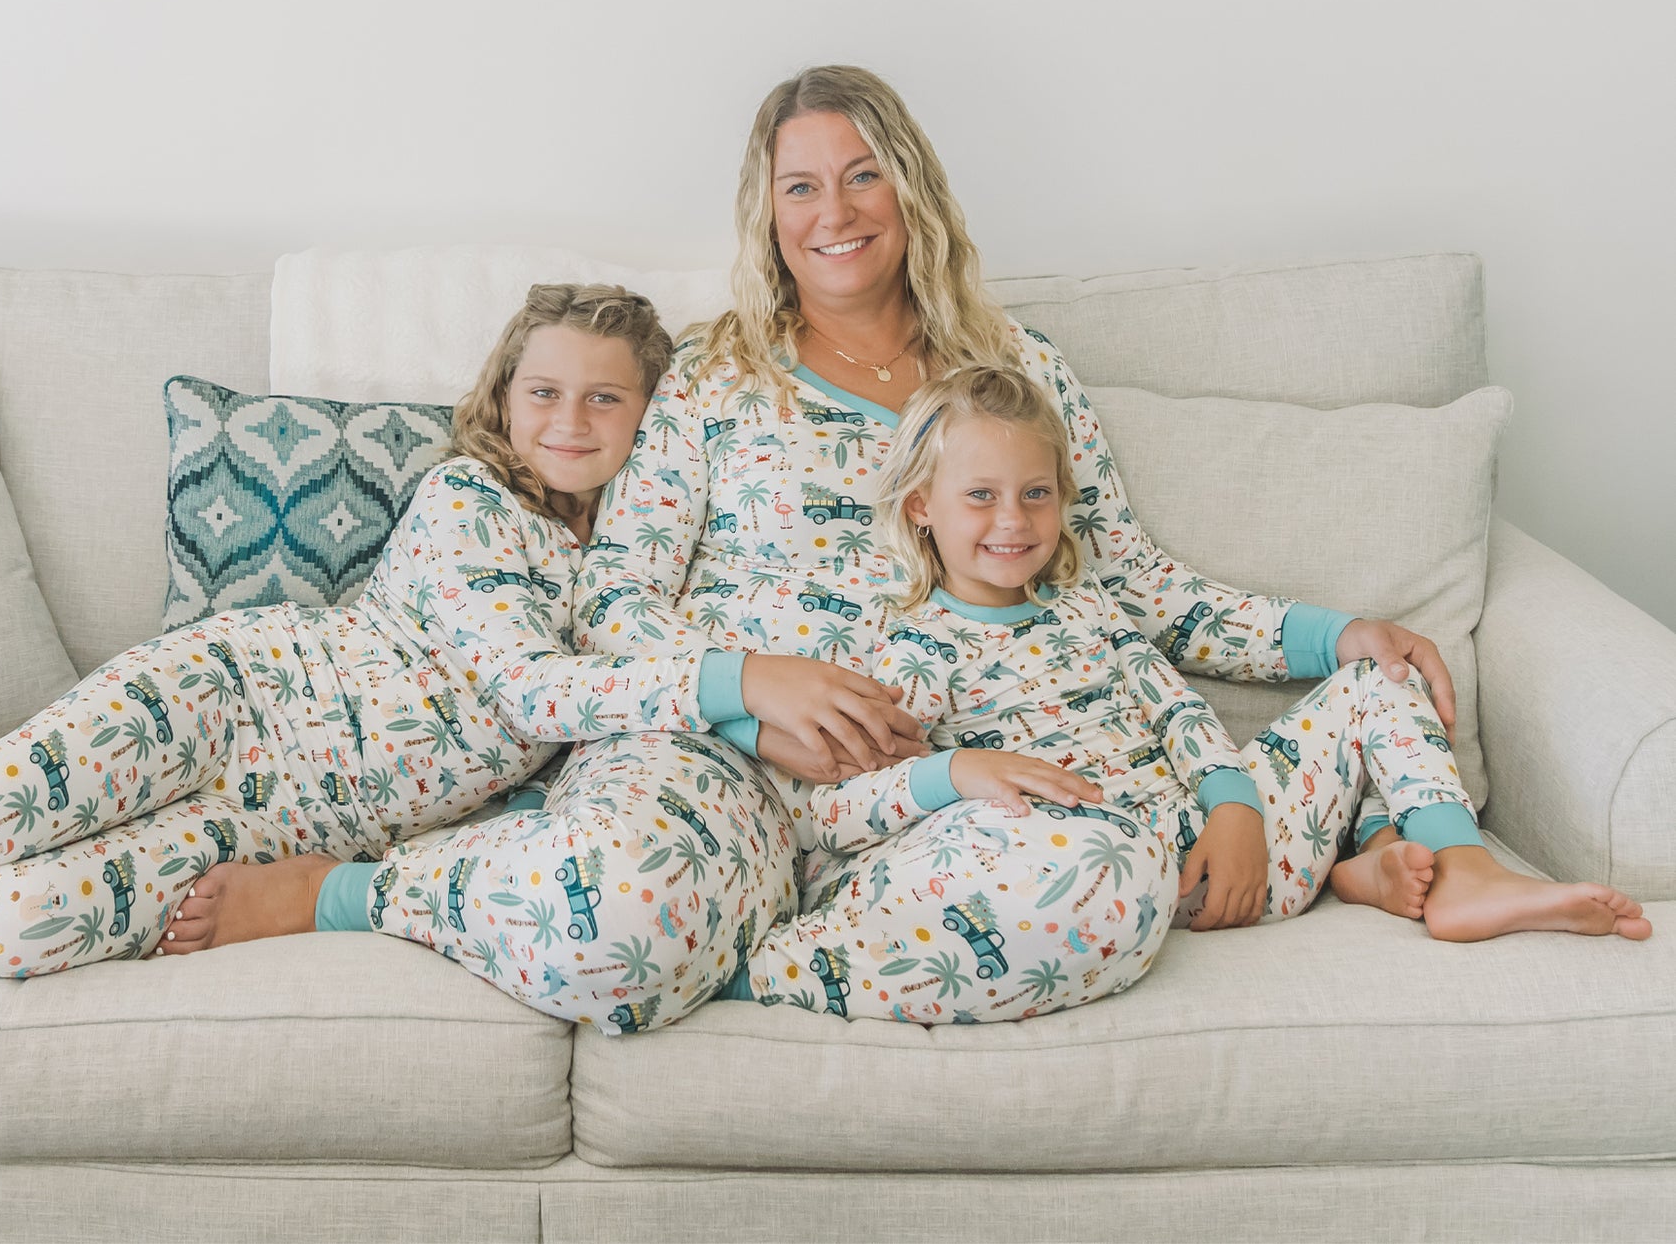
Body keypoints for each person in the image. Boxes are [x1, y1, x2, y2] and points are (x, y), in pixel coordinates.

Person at [477, 61, 1563, 1024]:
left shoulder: (1016, 371)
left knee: (1097, 876)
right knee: (604, 931)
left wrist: (1333, 635)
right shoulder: (716, 373)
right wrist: (745, 692)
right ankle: (426, 889)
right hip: (739, 762)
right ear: (765, 213)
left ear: (910, 187)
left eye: (862, 174)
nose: (833, 210)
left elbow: (1127, 584)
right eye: (798, 185)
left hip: (988, 786)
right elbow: (611, 600)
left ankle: (823, 940)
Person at [0, 284, 910, 1006]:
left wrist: (746, 722)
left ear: (654, 422)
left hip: (272, 824)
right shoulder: (470, 501)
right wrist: (737, 687)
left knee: (17, 929)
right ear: (501, 397)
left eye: (605, 400)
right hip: (236, 700)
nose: (566, 420)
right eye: (542, 390)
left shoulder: (636, 579)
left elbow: (585, 743)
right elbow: (526, 685)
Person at [796, 363, 1648, 1010]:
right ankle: (1357, 863)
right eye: (979, 496)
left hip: (1232, 848)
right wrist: (956, 776)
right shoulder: (904, 650)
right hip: (1123, 880)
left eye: (1036, 494)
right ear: (920, 506)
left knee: (1376, 678)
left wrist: (1237, 803)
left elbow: (1175, 707)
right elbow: (836, 808)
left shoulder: (1082, 604)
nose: (1013, 521)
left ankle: (1438, 867)